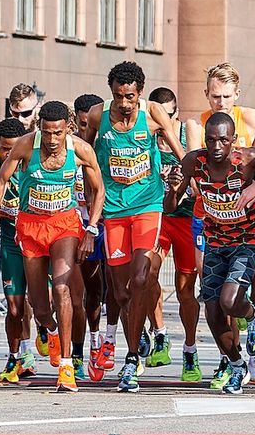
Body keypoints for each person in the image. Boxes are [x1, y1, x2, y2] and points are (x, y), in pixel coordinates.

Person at [75, 61, 183, 391]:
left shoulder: (152, 114)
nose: (124, 103)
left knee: (141, 277)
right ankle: (134, 340)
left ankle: (132, 359)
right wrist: (87, 192)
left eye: (130, 96)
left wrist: (185, 177)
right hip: (113, 210)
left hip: (148, 205)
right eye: (119, 96)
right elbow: (84, 151)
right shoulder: (97, 115)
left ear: (140, 93)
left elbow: (181, 153)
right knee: (120, 294)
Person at [0, 105, 106, 391]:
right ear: (39, 128)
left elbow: (99, 188)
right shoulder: (26, 145)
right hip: (30, 227)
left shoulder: (80, 149)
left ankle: (66, 366)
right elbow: (1, 180)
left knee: (63, 289)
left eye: (58, 133)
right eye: (47, 132)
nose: (52, 140)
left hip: (64, 224)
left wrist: (91, 227)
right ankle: (50, 331)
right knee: (39, 306)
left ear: (68, 129)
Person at [166, 111, 255, 394]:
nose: (216, 147)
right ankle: (237, 366)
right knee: (212, 314)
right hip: (215, 240)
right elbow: (170, 208)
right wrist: (174, 190)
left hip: (248, 240)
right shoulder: (193, 161)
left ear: (233, 141)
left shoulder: (246, 159)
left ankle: (252, 315)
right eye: (210, 140)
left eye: (223, 141)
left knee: (229, 300)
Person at [0, 85, 44, 383]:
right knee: (13, 304)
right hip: (10, 236)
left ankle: (46, 332)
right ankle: (17, 356)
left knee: (39, 300)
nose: (8, 154)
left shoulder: (40, 154)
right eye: (3, 149)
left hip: (38, 235)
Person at [147, 85, 200, 379]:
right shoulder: (148, 136)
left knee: (185, 290)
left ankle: (190, 349)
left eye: (166, 116)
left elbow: (193, 162)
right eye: (156, 117)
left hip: (186, 217)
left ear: (176, 114)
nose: (161, 123)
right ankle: (160, 334)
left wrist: (181, 178)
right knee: (145, 275)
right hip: (158, 215)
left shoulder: (187, 129)